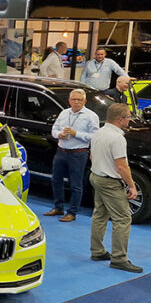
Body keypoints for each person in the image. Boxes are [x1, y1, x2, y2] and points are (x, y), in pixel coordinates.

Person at [89, 103, 142, 273]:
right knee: (123, 219)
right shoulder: (117, 138)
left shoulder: (98, 133)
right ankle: (119, 258)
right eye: (128, 117)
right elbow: (122, 167)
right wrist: (132, 186)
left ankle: (97, 251)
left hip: (96, 177)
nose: (129, 121)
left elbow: (91, 156)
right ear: (120, 119)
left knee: (100, 214)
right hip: (110, 183)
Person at [43, 88, 100, 222]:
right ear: (69, 101)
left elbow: (95, 137)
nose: (76, 102)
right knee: (56, 180)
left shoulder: (91, 116)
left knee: (76, 184)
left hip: (78, 154)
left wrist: (76, 134)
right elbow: (54, 129)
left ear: (84, 101)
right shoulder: (64, 113)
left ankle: (72, 212)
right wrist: (59, 135)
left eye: (79, 100)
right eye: (73, 99)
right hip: (61, 151)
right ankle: (58, 207)